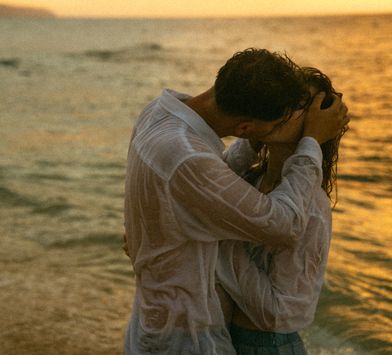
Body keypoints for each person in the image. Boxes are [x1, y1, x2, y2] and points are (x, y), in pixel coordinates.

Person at [123, 48, 349, 354]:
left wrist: (150, 239)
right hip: (186, 337)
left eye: (305, 110)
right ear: (246, 128)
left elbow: (211, 182)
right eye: (292, 110)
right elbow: (281, 223)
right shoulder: (189, 157)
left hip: (171, 325)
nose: (301, 115)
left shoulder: (159, 113)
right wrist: (311, 141)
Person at [216, 68, 347, 354]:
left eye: (300, 105)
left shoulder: (311, 206)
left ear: (318, 124)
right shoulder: (252, 179)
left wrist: (213, 239)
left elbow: (279, 313)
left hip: (267, 346)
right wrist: (253, 135)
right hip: (226, 338)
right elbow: (206, 187)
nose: (283, 109)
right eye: (282, 99)